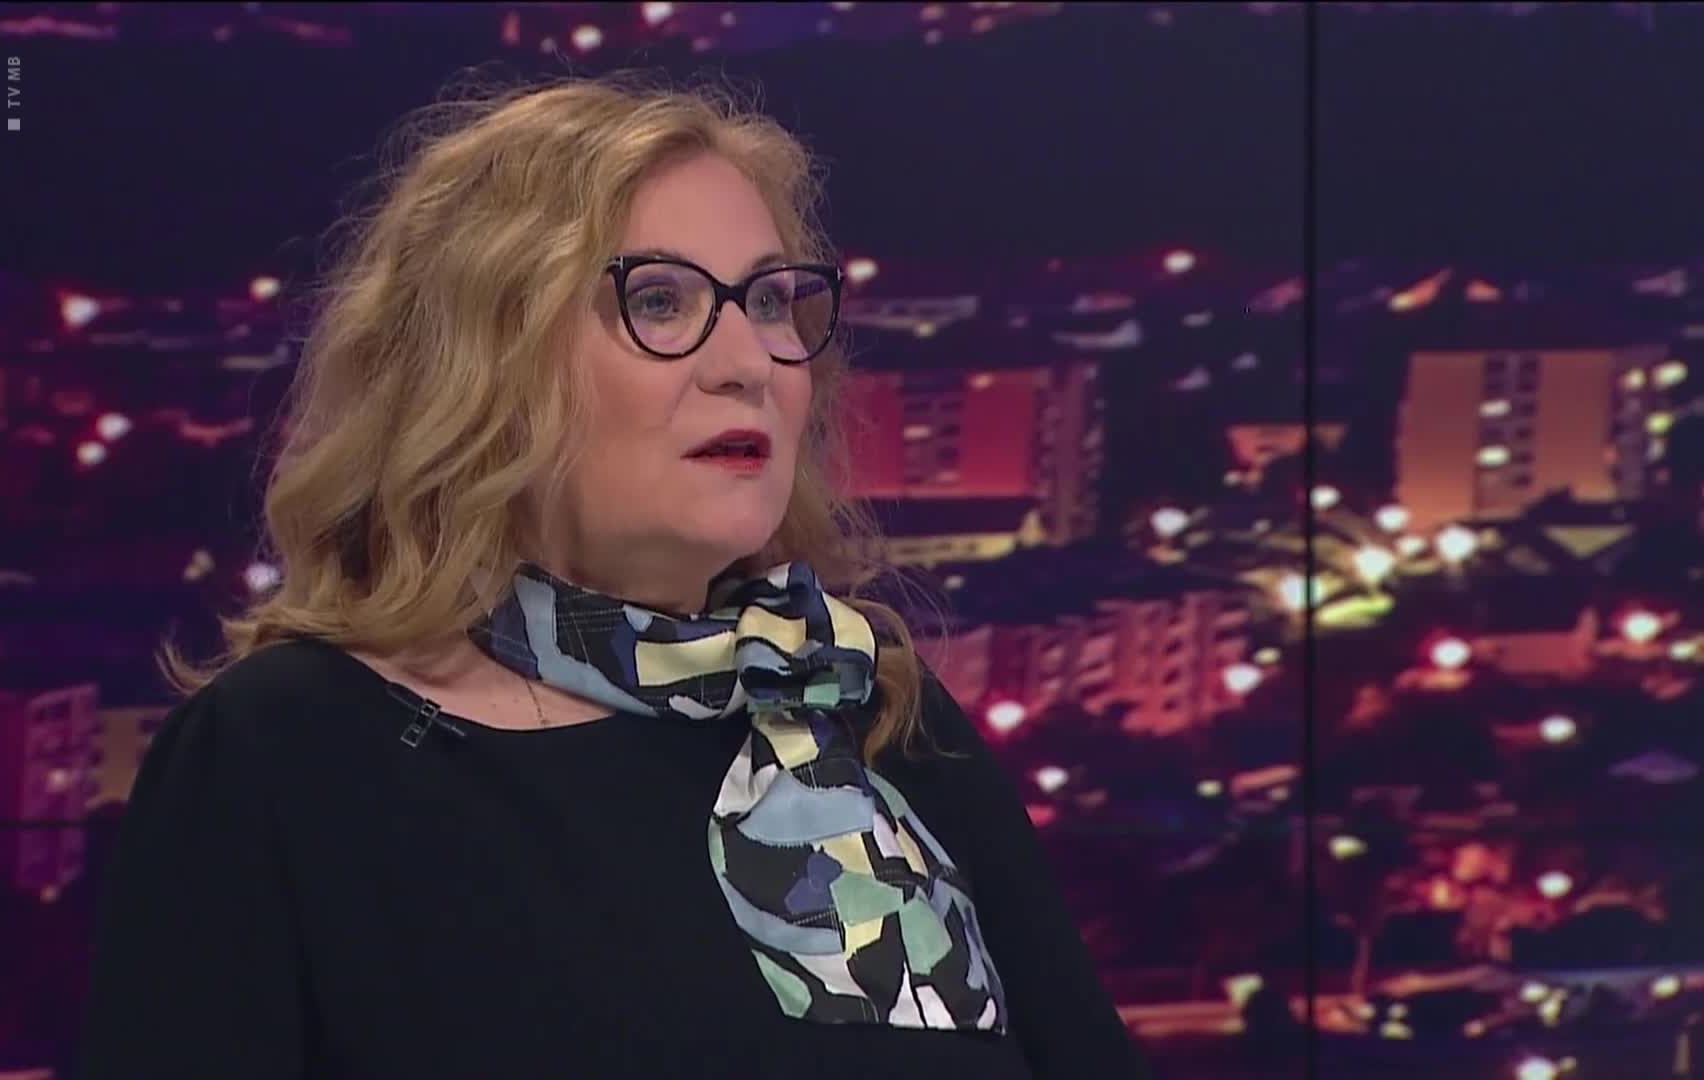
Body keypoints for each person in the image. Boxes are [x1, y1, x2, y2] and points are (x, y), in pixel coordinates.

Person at [76, 73, 1151, 1080]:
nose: (748, 362)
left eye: (771, 301)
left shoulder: (861, 701)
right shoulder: (287, 751)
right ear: (483, 365)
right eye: (664, 302)